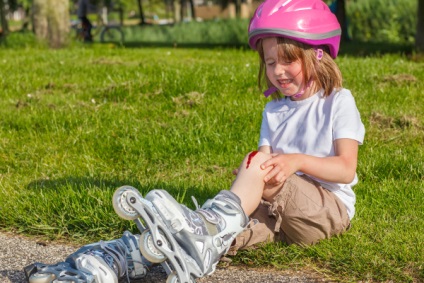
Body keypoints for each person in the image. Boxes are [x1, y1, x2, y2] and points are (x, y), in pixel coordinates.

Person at [24, 0, 365, 282]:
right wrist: (254, 174)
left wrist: (294, 162)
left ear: (318, 54)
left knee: (253, 172)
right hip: (278, 216)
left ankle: (205, 227)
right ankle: (121, 256)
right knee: (213, 237)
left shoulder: (337, 101)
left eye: (288, 59)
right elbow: (262, 169)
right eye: (271, 61)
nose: (277, 71)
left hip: (325, 212)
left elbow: (346, 169)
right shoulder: (273, 111)